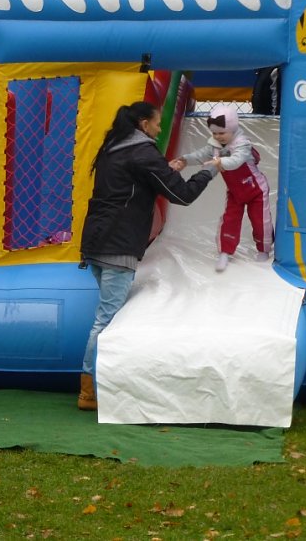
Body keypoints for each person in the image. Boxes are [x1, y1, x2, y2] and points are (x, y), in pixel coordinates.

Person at [79, 101, 216, 411]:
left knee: (108, 316)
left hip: (97, 240)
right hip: (118, 244)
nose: (160, 127)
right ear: (143, 124)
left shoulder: (114, 147)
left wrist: (167, 170)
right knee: (106, 320)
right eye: (156, 123)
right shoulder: (143, 151)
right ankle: (89, 389)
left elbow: (132, 183)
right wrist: (209, 171)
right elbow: (182, 195)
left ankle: (104, 382)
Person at [170, 105, 273, 272]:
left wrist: (220, 162)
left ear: (233, 129)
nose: (218, 136)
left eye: (222, 133)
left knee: (260, 221)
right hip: (235, 191)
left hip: (256, 191)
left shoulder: (242, 144)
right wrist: (185, 160)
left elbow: (236, 161)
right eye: (214, 133)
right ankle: (225, 252)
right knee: (229, 220)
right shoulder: (215, 146)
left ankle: (264, 249)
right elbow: (201, 155)